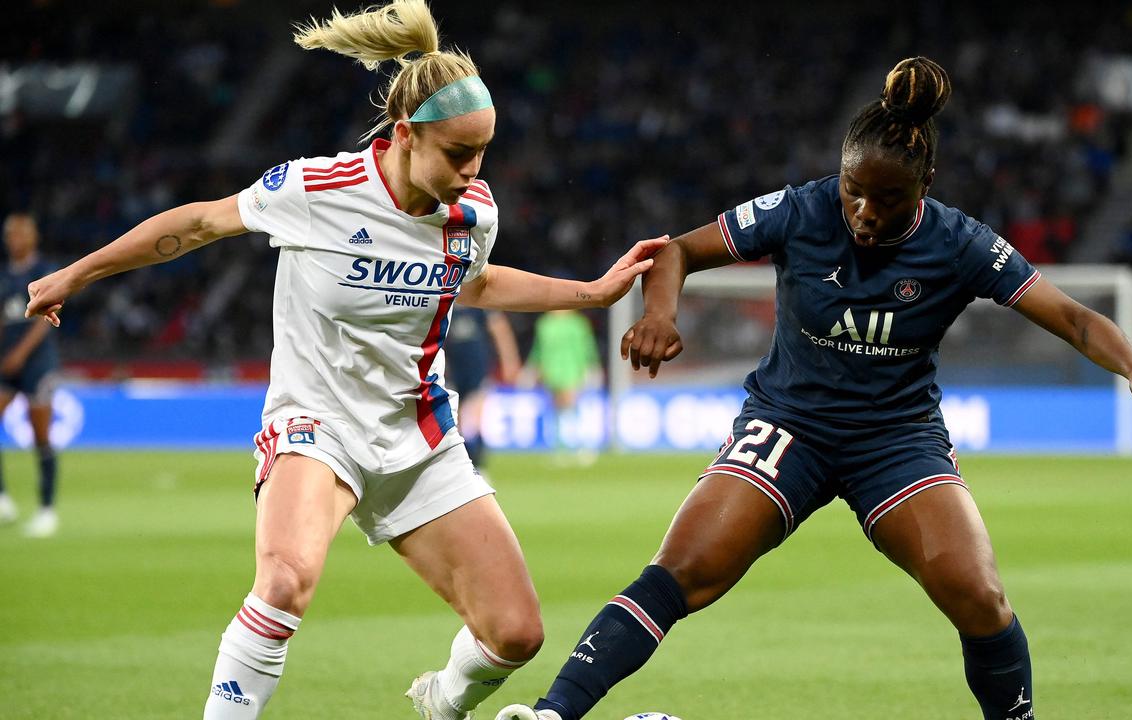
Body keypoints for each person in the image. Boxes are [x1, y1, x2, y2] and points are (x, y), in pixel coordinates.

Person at [496, 57, 1132, 720]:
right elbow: (678, 249)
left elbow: (1073, 316)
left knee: (979, 596)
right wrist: (659, 312)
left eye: (889, 200)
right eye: (854, 192)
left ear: (925, 188)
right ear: (837, 175)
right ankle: (553, 714)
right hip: (790, 424)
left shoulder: (960, 243)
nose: (866, 213)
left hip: (895, 439)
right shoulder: (801, 210)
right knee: (684, 571)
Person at [24, 2, 665, 718]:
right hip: (317, 424)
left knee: (516, 633)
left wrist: (592, 291)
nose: (472, 169)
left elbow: (475, 282)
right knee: (286, 580)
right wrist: (77, 274)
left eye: (482, 151)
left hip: (418, 435)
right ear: (404, 137)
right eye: (458, 152)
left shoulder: (473, 212)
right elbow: (201, 221)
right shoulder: (316, 190)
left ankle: (441, 706)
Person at [0, 212, 62, 538]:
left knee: (40, 435)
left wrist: (20, 354)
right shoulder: (4, 277)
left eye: (21, 234)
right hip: (6, 363)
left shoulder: (44, 272)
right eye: (11, 234)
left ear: (32, 238)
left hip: (37, 363)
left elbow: (44, 321)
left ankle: (47, 510)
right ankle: (2, 499)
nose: (15, 240)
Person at [445, 306, 520, 470]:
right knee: (455, 422)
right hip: (451, 369)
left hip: (478, 368)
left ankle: (477, 465)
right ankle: (463, 465)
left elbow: (500, 329)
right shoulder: (445, 301)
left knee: (475, 417)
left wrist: (509, 360)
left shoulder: (478, 304)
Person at [525, 309, 601, 462]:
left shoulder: (577, 324)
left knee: (571, 406)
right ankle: (562, 448)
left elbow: (587, 347)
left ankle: (580, 445)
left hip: (572, 369)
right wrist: (532, 369)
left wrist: (592, 367)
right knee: (558, 410)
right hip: (552, 370)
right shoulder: (545, 324)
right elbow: (538, 349)